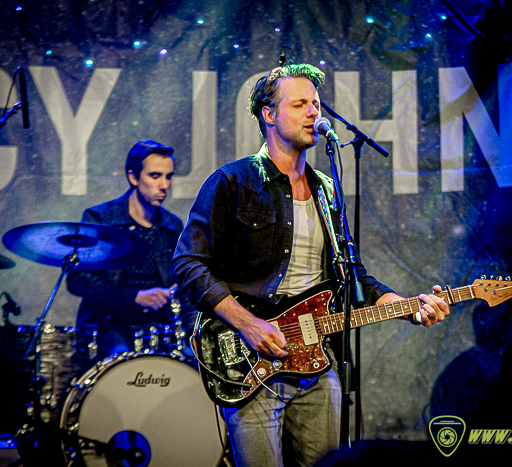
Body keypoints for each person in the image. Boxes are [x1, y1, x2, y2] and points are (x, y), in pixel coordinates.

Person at [170, 64, 449, 466]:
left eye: (316, 104)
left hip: (317, 364)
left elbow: (352, 277)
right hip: (251, 361)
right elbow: (188, 264)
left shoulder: (326, 189)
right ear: (269, 114)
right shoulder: (232, 182)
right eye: (300, 104)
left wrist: (409, 307)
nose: (314, 112)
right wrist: (249, 325)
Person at [67, 139, 191, 362]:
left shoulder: (172, 226)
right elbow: (78, 280)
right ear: (133, 177)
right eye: (155, 176)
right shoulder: (101, 219)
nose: (164, 185)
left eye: (168, 176)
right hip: (109, 324)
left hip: (158, 328)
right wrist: (135, 297)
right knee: (121, 361)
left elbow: (183, 285)